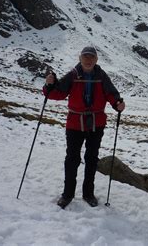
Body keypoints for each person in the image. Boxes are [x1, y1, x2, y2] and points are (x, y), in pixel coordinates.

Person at [44, 46, 125, 209]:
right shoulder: (73, 75)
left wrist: (117, 103)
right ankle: (68, 194)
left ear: (96, 60)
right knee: (72, 159)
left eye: (91, 57)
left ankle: (88, 194)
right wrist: (49, 85)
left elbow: (111, 94)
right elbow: (57, 93)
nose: (88, 60)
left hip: (96, 124)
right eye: (85, 57)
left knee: (91, 159)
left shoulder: (101, 76)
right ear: (80, 58)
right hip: (75, 124)